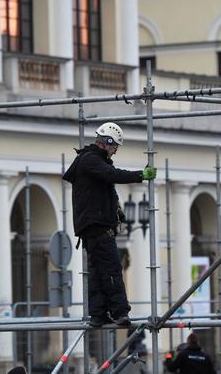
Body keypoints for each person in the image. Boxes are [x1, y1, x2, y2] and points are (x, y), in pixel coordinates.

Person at [63, 122, 156, 327]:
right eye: (115, 146)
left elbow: (105, 189)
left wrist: (117, 211)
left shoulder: (90, 161)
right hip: (97, 225)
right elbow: (112, 176)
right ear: (107, 142)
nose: (115, 151)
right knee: (111, 268)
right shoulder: (91, 160)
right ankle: (120, 311)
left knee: (96, 271)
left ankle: (98, 315)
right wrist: (141, 175)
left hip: (90, 225)